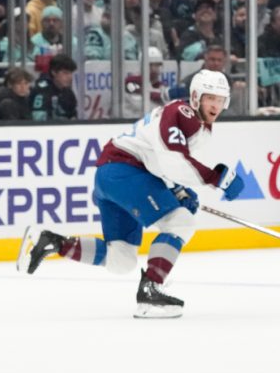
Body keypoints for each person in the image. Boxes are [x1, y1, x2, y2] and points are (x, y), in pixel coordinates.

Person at [17, 70, 245, 319]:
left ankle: (52, 242)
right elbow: (174, 160)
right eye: (210, 97)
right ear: (195, 96)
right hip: (125, 172)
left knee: (121, 259)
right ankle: (150, 292)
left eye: (221, 99)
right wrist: (217, 178)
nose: (216, 105)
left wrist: (176, 188)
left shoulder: (190, 121)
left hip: (114, 177)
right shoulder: (183, 113)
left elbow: (159, 160)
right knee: (180, 222)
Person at [30, 53, 77, 121]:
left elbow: (73, 116)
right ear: (54, 72)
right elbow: (39, 121)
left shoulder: (68, 92)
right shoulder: (41, 91)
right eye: (65, 73)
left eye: (71, 73)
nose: (70, 77)